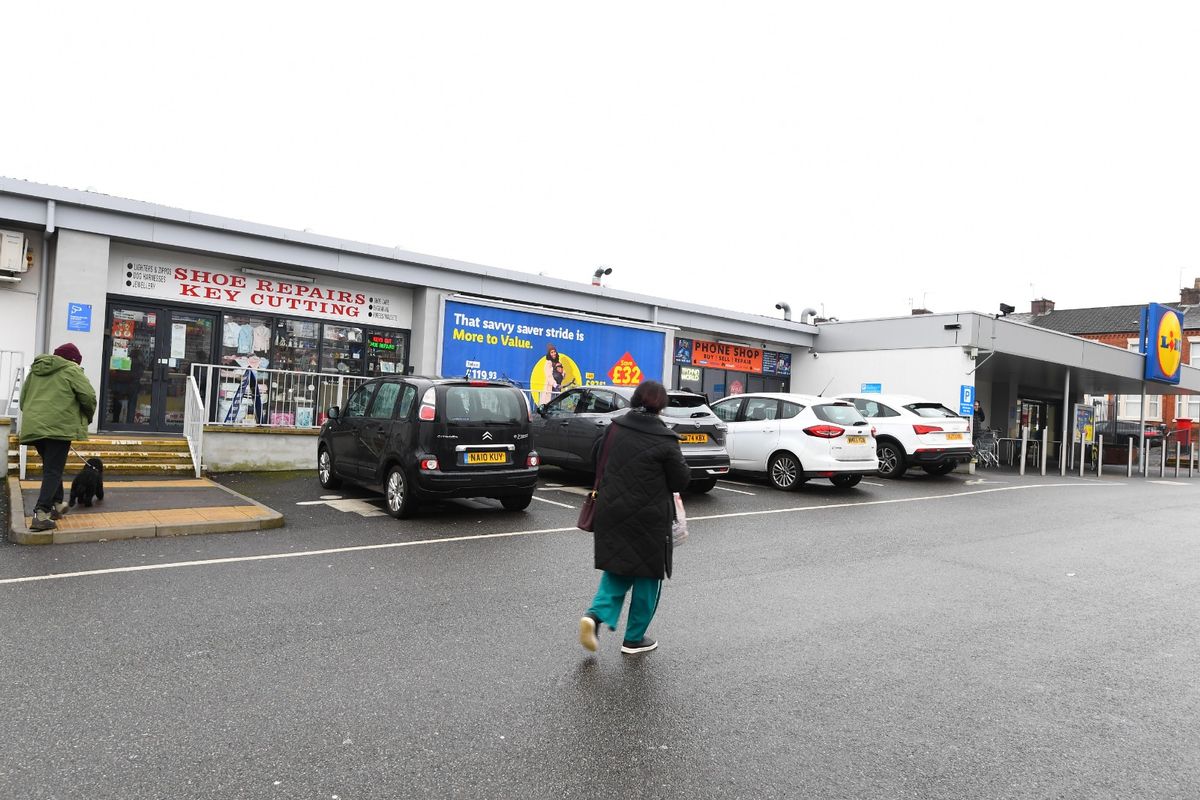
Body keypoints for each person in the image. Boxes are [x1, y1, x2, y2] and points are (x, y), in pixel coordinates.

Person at [578, 379, 691, 655]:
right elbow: (680, 480)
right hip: (650, 518)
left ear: (635, 400)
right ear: (661, 406)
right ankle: (634, 638)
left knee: (617, 568)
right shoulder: (665, 438)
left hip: (611, 510)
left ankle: (593, 617)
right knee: (648, 577)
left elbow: (596, 459)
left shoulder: (614, 428)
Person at [20, 342, 97, 532]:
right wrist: (88, 415)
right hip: (58, 428)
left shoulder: (35, 371)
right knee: (53, 470)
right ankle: (41, 514)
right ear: (73, 360)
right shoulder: (72, 370)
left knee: (52, 467)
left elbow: (22, 401)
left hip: (36, 427)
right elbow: (88, 397)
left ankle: (56, 504)